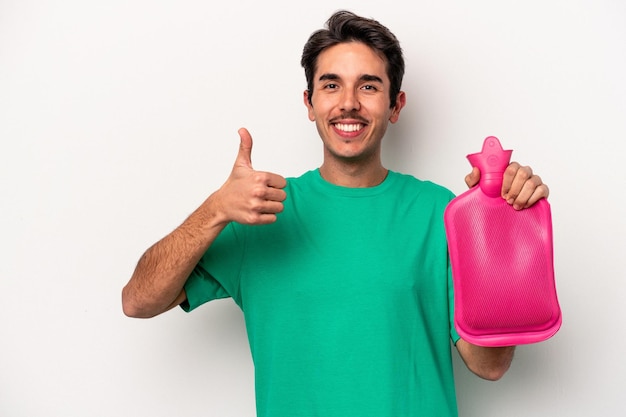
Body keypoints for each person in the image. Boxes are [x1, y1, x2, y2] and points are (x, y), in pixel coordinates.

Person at [122, 10, 549, 417]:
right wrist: (215, 209)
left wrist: (498, 228)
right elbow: (138, 301)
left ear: (395, 105)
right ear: (309, 104)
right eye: (331, 85)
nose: (348, 103)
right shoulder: (261, 210)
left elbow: (489, 365)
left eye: (367, 86)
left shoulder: (442, 214)